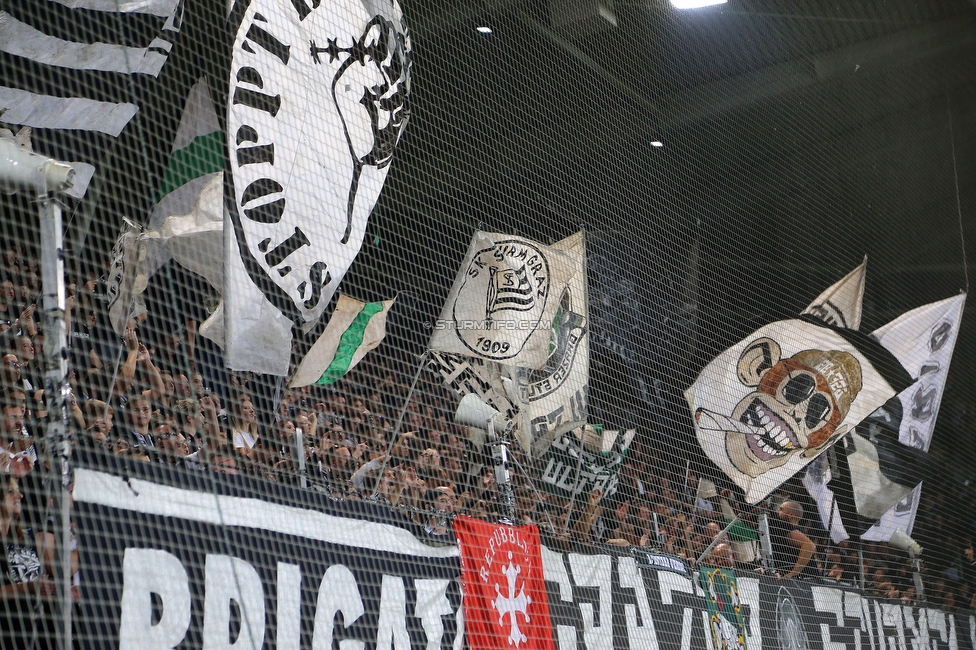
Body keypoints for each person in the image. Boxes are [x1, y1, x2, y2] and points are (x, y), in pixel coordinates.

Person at [0, 476, 57, 649]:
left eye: (18, 491)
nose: (20, 496)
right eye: (11, 492)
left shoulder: (24, 537)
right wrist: (29, 587)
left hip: (35, 632)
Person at [768, 500, 817, 579]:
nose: (777, 511)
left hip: (803, 581)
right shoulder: (800, 530)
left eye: (781, 509)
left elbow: (810, 546)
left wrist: (792, 574)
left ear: (791, 515)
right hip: (806, 580)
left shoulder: (788, 528)